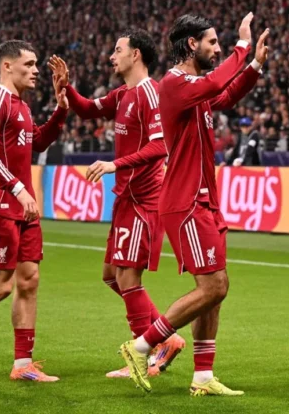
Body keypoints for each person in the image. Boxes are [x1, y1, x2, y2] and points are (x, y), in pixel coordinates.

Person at [118, 12, 269, 396]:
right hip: (185, 201)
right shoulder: (174, 83)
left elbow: (225, 95)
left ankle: (203, 377)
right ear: (191, 44)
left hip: (204, 200)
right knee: (214, 286)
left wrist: (253, 66)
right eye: (212, 43)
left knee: (215, 288)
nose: (217, 49)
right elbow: (217, 82)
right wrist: (242, 45)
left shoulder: (194, 89)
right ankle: (141, 347)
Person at [48, 29, 186, 378]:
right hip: (126, 198)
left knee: (127, 276)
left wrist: (115, 165)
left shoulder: (150, 93)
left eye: (118, 49)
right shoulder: (123, 94)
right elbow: (86, 110)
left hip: (145, 198)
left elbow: (160, 146)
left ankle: (143, 354)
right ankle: (166, 339)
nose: (112, 56)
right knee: (111, 275)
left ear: (136, 54)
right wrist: (66, 88)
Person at [0, 40, 68, 381]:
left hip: (24, 208)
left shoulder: (21, 105)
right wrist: (18, 188)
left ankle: (23, 365)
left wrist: (61, 109)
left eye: (36, 64)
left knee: (29, 280)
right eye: (29, 64)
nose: (36, 70)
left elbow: (37, 142)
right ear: (7, 66)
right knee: (0, 286)